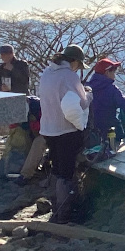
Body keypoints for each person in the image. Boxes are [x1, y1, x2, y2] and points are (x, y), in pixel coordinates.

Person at [37, 44, 92, 223]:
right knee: (67, 172)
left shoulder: (46, 73)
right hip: (66, 129)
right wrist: (90, 95)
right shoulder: (69, 76)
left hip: (47, 128)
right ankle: (66, 212)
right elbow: (81, 104)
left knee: (57, 167)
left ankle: (55, 207)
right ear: (74, 61)